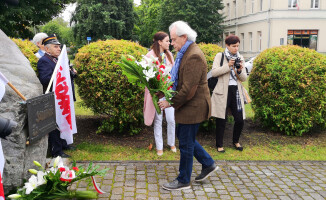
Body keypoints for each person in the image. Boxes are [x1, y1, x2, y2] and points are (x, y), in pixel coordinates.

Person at [158, 21, 218, 190]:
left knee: (185, 143)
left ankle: (183, 179)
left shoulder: (193, 55)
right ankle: (208, 164)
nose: (172, 43)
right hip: (189, 105)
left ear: (184, 37)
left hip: (194, 106)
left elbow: (188, 90)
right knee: (185, 137)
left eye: (174, 39)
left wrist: (169, 102)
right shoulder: (185, 52)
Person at [37, 34, 75, 158]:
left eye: (59, 46)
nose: (59, 49)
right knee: (55, 124)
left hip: (61, 97)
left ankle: (64, 143)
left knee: (63, 119)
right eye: (55, 47)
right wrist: (59, 77)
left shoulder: (56, 60)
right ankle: (57, 151)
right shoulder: (44, 60)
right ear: (47, 49)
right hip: (52, 98)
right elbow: (44, 79)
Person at [210, 35, 247, 153]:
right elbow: (214, 72)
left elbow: (244, 78)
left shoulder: (240, 57)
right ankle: (219, 144)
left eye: (237, 46)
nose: (236, 48)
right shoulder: (220, 56)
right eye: (233, 46)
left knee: (240, 119)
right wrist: (228, 66)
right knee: (221, 119)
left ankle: (236, 141)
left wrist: (239, 70)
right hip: (222, 90)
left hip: (236, 90)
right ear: (227, 45)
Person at [143, 32, 176, 156]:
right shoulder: (149, 56)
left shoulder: (169, 55)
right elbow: (146, 76)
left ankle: (171, 143)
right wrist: (155, 89)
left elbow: (173, 73)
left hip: (168, 91)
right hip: (156, 93)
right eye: (167, 41)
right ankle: (159, 146)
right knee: (158, 120)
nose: (169, 43)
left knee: (171, 119)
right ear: (159, 42)